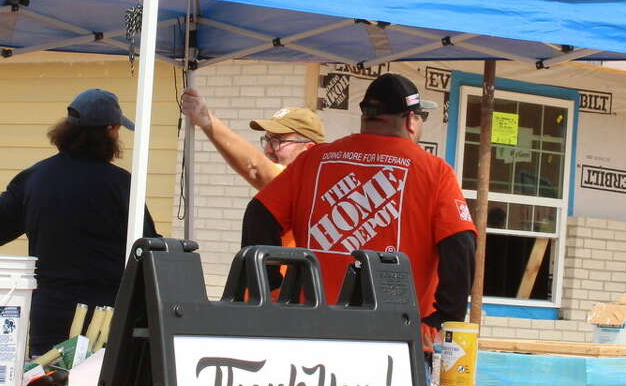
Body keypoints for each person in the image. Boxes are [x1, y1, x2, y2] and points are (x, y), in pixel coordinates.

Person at [243, 73, 475, 343]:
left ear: (366, 116)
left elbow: (259, 214)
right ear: (411, 121)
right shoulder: (434, 171)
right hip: (398, 337)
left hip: (314, 328)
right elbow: (461, 244)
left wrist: (271, 288)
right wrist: (443, 320)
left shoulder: (314, 160)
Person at [0, 88, 159, 357]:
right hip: (105, 319)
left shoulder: (35, 178)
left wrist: (9, 289)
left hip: (49, 315)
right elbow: (151, 253)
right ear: (111, 130)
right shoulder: (122, 185)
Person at [179, 88, 326, 189]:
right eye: (267, 140)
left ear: (309, 149)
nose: (268, 149)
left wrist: (206, 119)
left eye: (277, 141)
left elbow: (256, 167)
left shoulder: (312, 185)